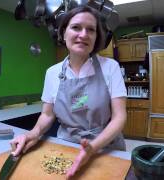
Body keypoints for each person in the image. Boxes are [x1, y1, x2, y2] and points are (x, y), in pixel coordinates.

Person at [10, 5, 127, 179]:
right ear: (64, 34)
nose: (83, 34)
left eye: (91, 30)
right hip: (65, 145)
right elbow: (47, 115)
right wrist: (32, 133)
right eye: (76, 27)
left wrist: (92, 148)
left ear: (96, 38)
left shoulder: (110, 68)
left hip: (104, 147)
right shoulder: (52, 73)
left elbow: (119, 117)